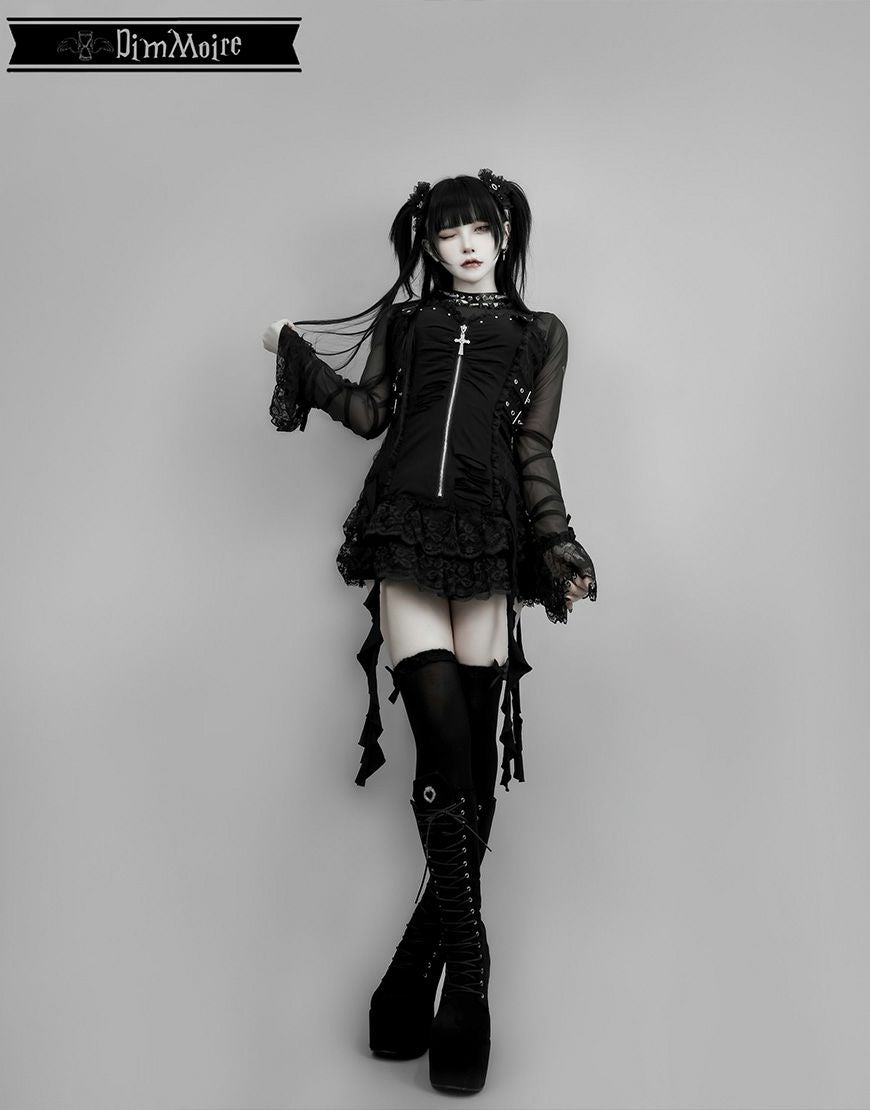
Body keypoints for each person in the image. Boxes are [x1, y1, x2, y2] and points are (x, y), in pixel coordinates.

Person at [261, 169, 597, 1096]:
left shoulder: (540, 334)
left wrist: (557, 542)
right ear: (429, 245)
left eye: (479, 229)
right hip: (406, 534)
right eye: (447, 234)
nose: (465, 245)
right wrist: (297, 358)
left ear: (503, 234)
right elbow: (371, 414)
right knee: (445, 746)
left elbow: (533, 447)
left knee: (474, 768)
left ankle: (418, 973)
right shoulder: (406, 323)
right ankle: (471, 977)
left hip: (489, 542)